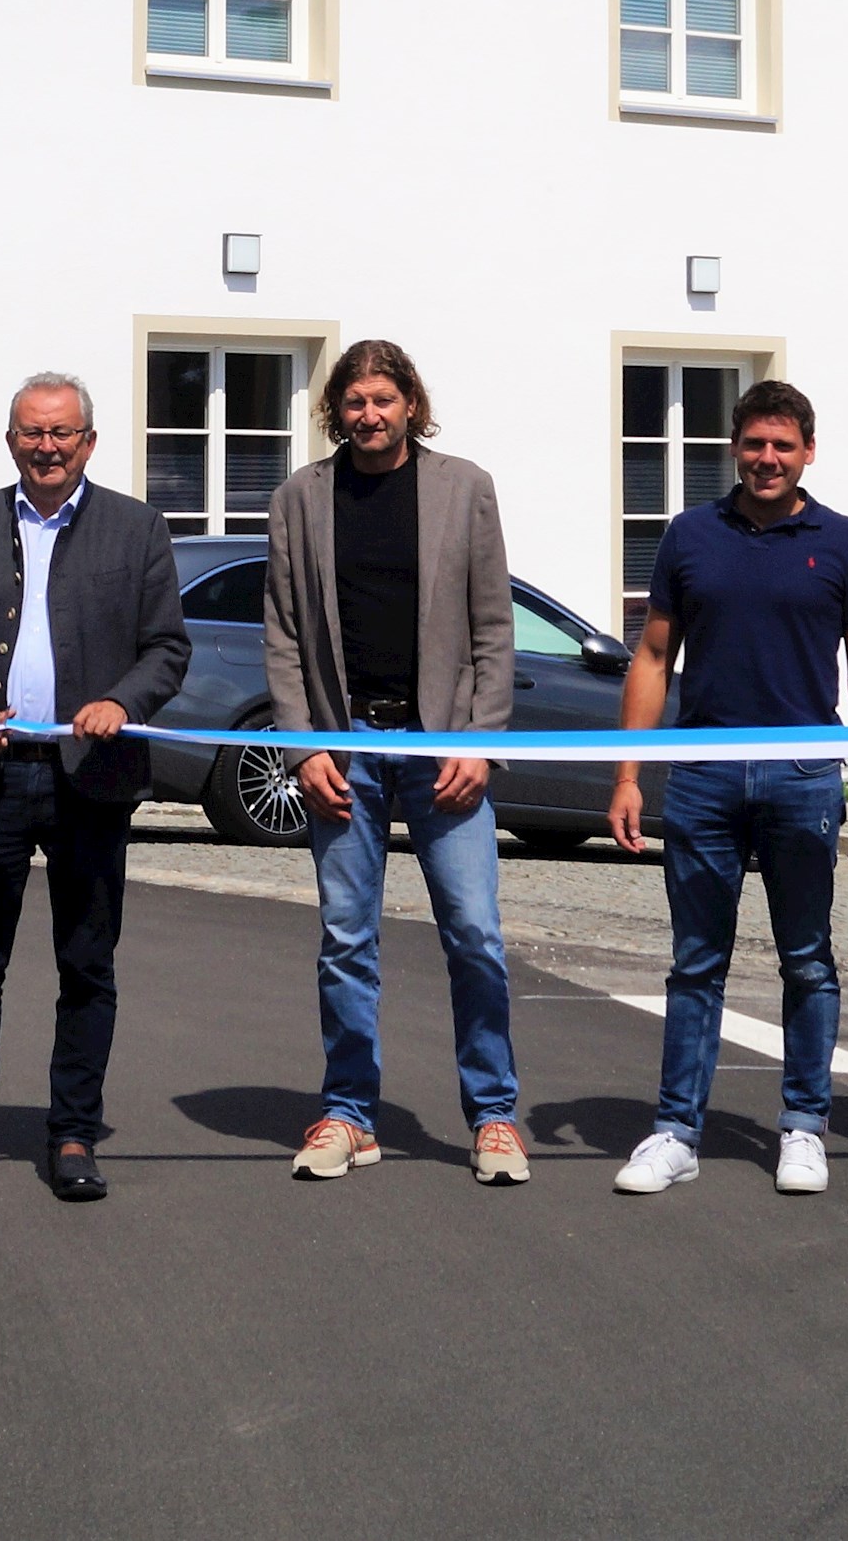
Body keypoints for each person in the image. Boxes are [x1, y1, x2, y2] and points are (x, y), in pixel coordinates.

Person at [0, 371, 192, 1203]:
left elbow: (167, 648)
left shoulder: (137, 528)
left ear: (89, 441)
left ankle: (72, 1133)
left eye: (63, 433)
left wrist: (121, 701)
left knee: (87, 964)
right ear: (11, 440)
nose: (47, 446)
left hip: (90, 779)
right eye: (32, 432)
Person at [605, 379, 848, 1198]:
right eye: (754, 443)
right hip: (701, 777)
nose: (768, 458)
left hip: (804, 778)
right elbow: (653, 658)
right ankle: (676, 1131)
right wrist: (629, 774)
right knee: (696, 963)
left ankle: (803, 1125)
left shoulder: (842, 541)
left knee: (807, 960)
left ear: (807, 451)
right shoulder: (691, 535)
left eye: (783, 445)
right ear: (735, 448)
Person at [259, 338, 526, 1185]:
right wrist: (303, 745)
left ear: (411, 401)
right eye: (353, 401)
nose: (367, 414)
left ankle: (492, 1117)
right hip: (344, 750)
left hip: (442, 748)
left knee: (476, 935)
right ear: (334, 410)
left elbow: (493, 628)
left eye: (383, 398)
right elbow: (285, 636)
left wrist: (479, 740)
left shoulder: (465, 488)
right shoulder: (300, 498)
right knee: (346, 939)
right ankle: (349, 1114)